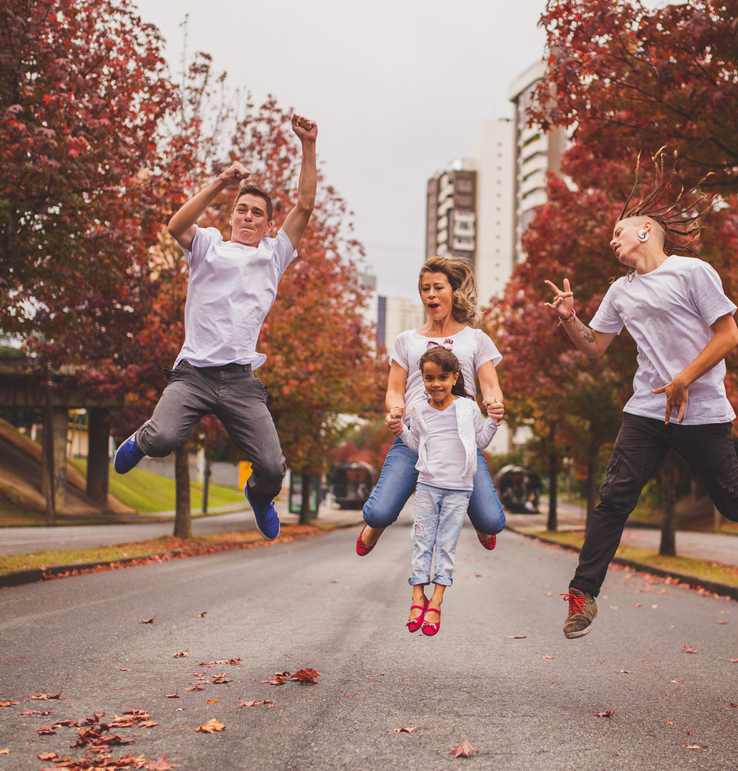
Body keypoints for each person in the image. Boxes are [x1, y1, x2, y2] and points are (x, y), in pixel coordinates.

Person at [545, 196, 738, 640]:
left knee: (736, 502)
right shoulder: (620, 290)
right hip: (646, 409)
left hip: (700, 410)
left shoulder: (693, 272)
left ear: (645, 230)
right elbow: (594, 347)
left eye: (618, 232)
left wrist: (684, 378)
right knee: (614, 499)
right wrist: (570, 318)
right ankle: (582, 594)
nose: (612, 241)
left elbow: (729, 334)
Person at [112, 114, 320, 541]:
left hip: (240, 380)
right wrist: (222, 181)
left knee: (272, 469)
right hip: (193, 374)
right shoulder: (208, 245)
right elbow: (175, 225)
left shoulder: (274, 255)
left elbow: (304, 206)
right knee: (163, 439)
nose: (248, 217)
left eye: (257, 213)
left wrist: (309, 145)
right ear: (231, 217)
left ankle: (258, 497)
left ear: (268, 225)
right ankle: (141, 440)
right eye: (241, 210)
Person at [355, 258, 506, 556]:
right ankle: (375, 526)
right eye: (425, 289)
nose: (431, 295)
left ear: (454, 291)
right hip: (415, 435)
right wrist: (395, 410)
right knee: (377, 513)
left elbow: (490, 385)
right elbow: (394, 390)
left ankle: (480, 519)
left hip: (461, 438)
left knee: (492, 520)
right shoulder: (406, 340)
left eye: (438, 287)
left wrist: (494, 403)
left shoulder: (475, 339)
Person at [400, 347, 502, 636]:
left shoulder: (468, 408)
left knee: (446, 545)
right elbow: (416, 444)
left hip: (459, 490)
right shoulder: (417, 409)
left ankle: (437, 599)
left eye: (443, 377)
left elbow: (481, 441)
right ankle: (417, 596)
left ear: (455, 377)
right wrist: (399, 430)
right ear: (422, 378)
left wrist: (493, 420)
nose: (436, 384)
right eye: (429, 378)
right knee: (422, 542)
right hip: (427, 487)